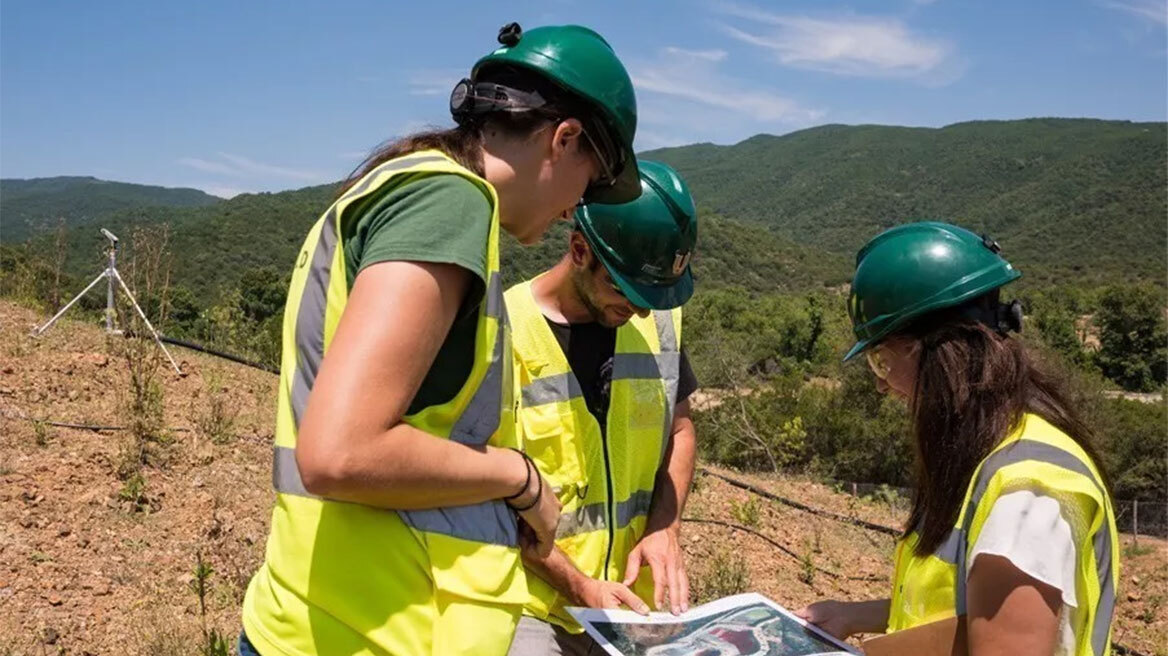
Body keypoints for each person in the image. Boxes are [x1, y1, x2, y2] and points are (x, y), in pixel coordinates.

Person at [238, 22, 641, 656]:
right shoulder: (448, 202)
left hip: (332, 618)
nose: (575, 210)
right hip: (371, 630)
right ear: (563, 140)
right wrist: (519, 477)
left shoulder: (418, 186)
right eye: (589, 185)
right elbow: (339, 452)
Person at [797, 222, 1119, 656]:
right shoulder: (985, 451)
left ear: (940, 353)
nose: (881, 384)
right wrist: (857, 615)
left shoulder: (1025, 494)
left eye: (880, 360)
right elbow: (977, 607)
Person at [504, 160, 700, 656]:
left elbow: (680, 430)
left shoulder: (658, 327)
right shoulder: (503, 331)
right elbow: (492, 500)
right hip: (535, 604)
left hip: (629, 603)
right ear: (579, 251)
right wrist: (578, 586)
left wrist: (664, 528)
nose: (639, 310)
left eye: (651, 296)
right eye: (626, 291)